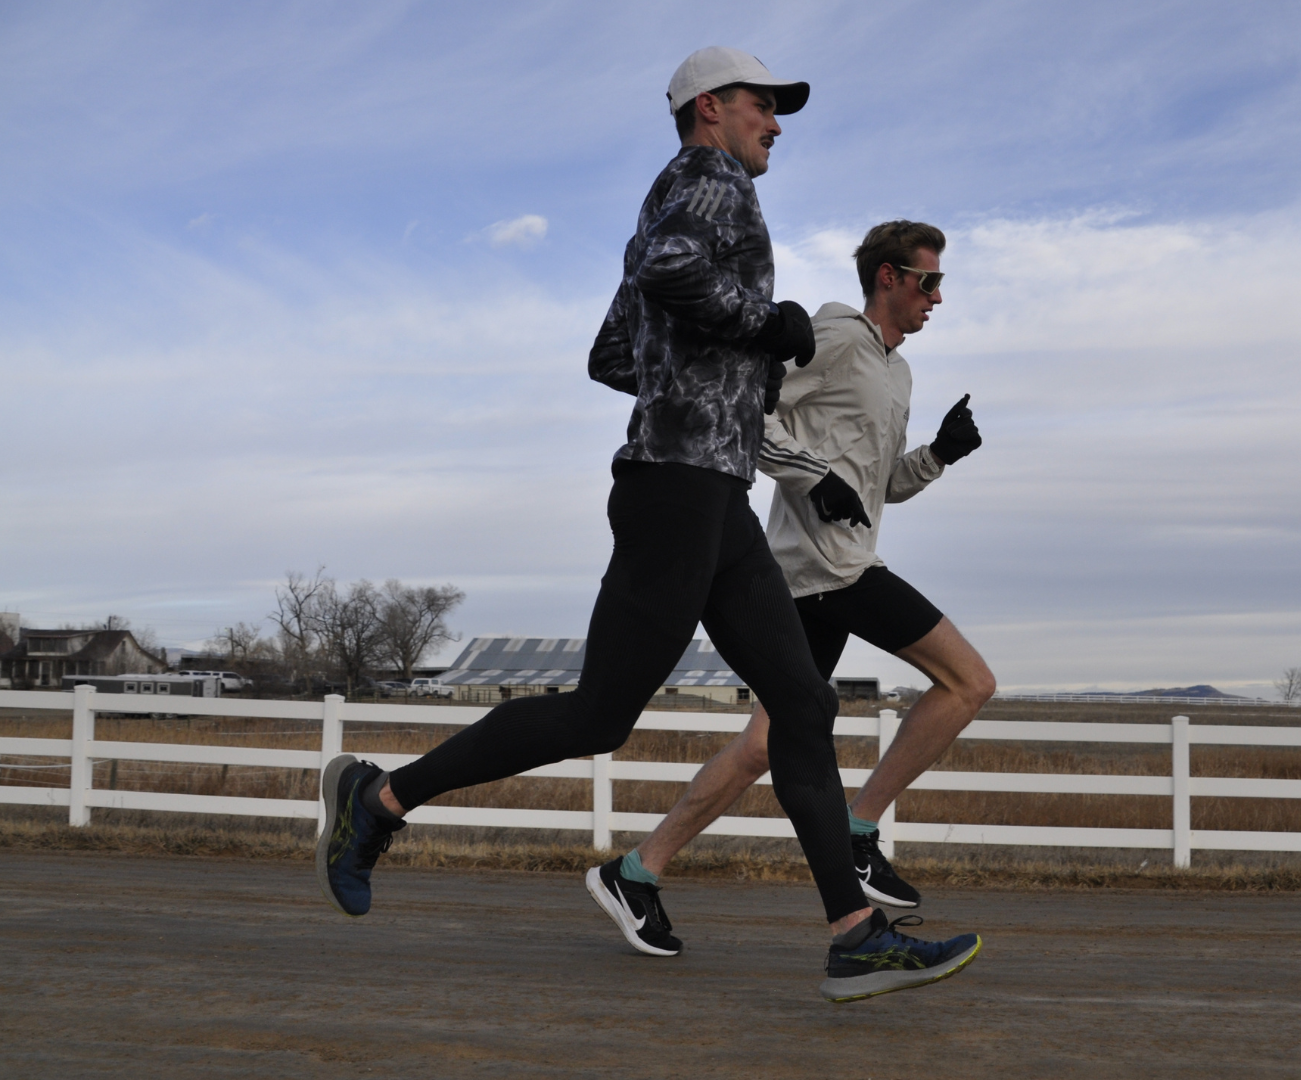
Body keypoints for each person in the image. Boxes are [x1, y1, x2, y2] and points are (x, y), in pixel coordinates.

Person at [316, 47, 980, 1004]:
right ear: (709, 108)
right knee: (598, 716)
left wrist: (713, 374)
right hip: (675, 490)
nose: (777, 123)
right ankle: (377, 801)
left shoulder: (678, 191)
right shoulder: (708, 182)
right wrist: (767, 327)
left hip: (712, 493)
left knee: (803, 704)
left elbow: (612, 354)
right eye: (764, 105)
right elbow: (672, 277)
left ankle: (855, 935)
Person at [598, 219, 993, 956]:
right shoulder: (837, 337)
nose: (937, 297)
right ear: (888, 277)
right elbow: (753, 410)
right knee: (968, 681)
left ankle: (636, 870)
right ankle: (859, 831)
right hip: (829, 571)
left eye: (941, 284)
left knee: (762, 746)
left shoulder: (895, 370)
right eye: (928, 281)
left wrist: (939, 455)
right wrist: (812, 477)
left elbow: (874, 492)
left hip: (825, 569)